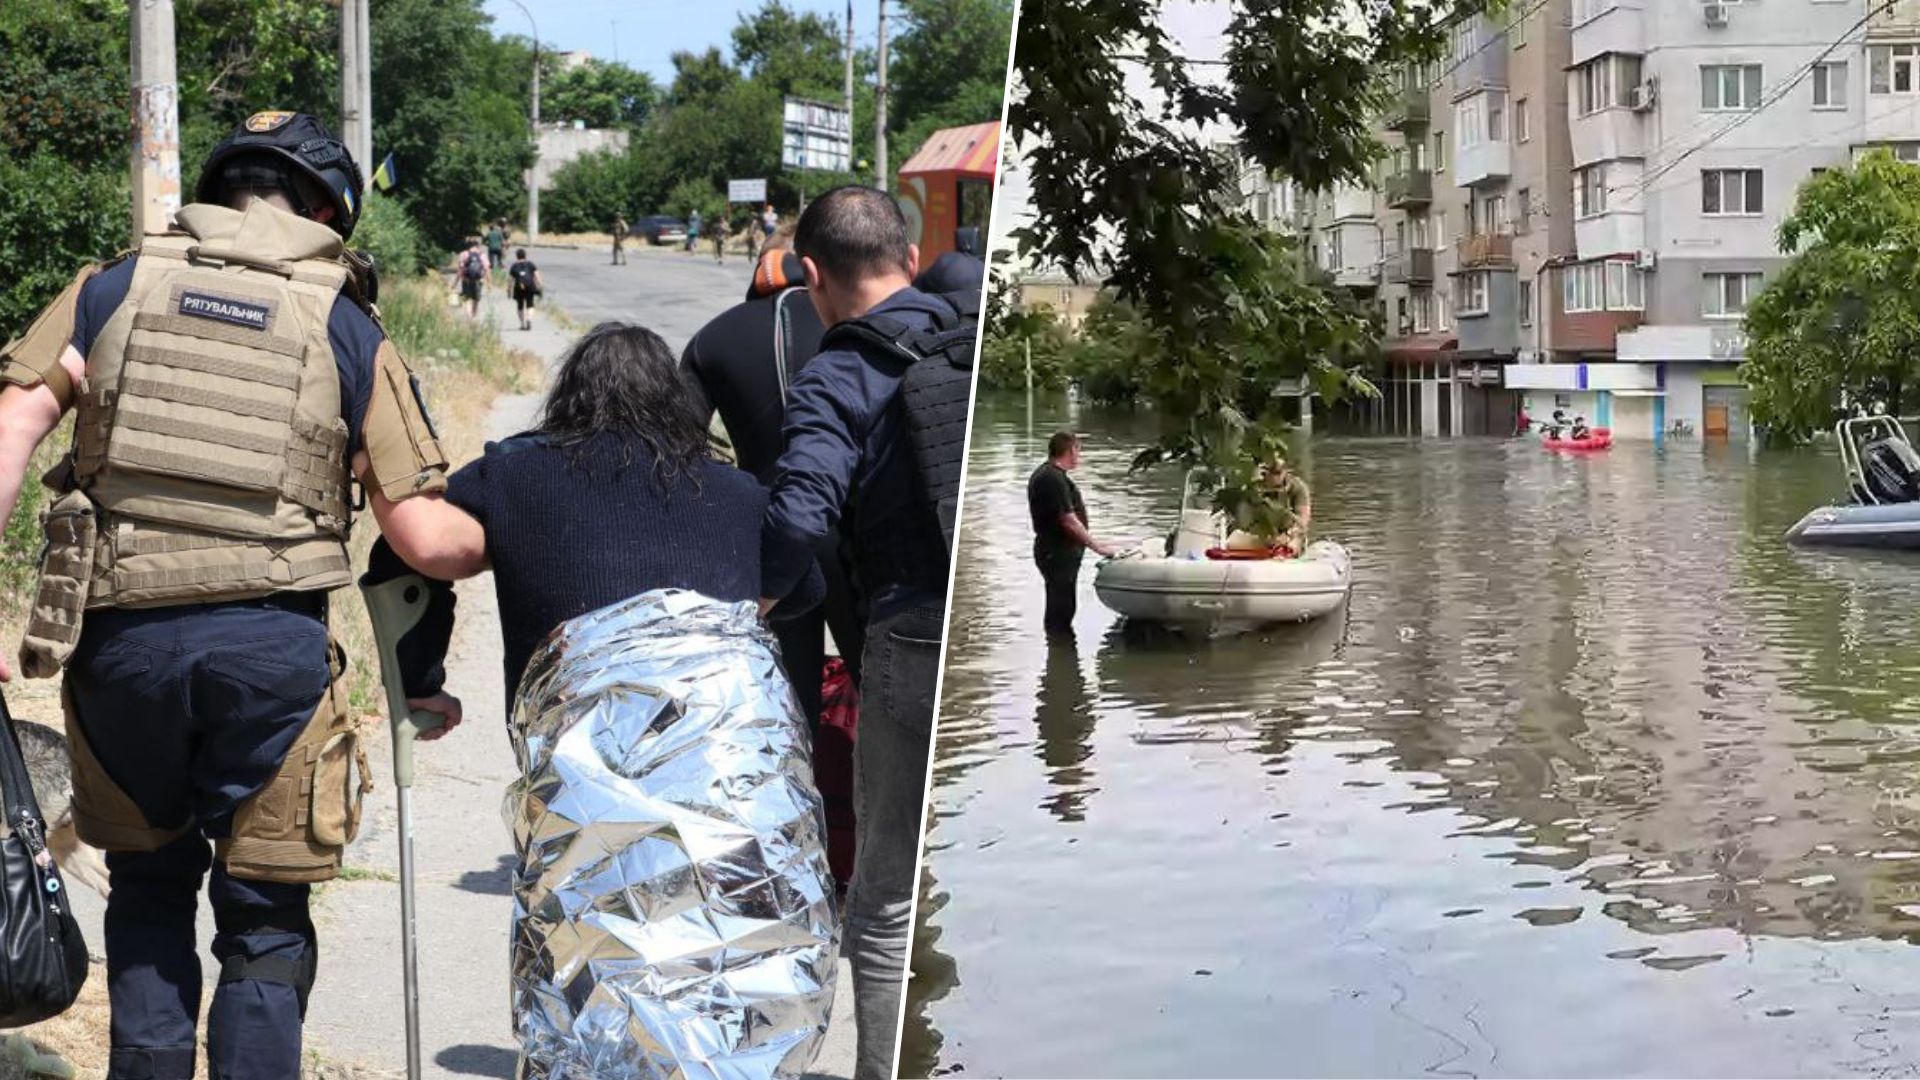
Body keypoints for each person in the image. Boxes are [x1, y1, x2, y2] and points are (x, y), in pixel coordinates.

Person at [0, 110, 466, 1080]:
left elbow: (19, 413)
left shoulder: (111, 287)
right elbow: (421, 535)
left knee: (149, 891)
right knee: (262, 914)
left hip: (121, 646)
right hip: (271, 655)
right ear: (328, 211)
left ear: (218, 191)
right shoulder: (344, 321)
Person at [379, 323, 834, 1075]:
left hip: (588, 750)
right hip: (730, 741)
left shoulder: (515, 473)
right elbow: (801, 589)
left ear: (568, 399)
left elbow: (408, 556)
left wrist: (420, 679)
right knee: (727, 950)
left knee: (594, 952)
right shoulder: (735, 491)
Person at [757, 185, 978, 1080]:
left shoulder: (837, 372)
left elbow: (799, 519)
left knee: (882, 894)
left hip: (910, 634)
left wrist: (759, 604)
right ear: (910, 257)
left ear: (811, 275)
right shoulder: (965, 335)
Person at [682, 235, 864, 735]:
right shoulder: (851, 327)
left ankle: (803, 804)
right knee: (883, 695)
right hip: (853, 527)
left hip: (763, 534)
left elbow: (679, 452)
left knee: (788, 707)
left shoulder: (710, 339)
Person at [1029, 431, 1116, 637]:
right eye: (1078, 451)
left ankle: (1059, 654)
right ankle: (1060, 651)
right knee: (1061, 608)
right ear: (1070, 450)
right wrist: (1098, 547)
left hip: (1057, 551)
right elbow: (1068, 520)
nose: (1079, 457)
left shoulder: (1050, 475)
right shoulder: (1052, 478)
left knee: (1063, 603)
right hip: (1057, 552)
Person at [1224, 455, 1312, 556]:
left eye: (1277, 472)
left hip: (1289, 535)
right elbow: (1242, 520)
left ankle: (1285, 552)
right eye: (1269, 472)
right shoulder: (1253, 489)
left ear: (1285, 471)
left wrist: (1288, 535)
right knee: (1233, 543)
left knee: (1291, 546)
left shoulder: (1298, 488)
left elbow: (1303, 520)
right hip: (1260, 534)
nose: (1274, 477)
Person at [507, 247, 542, 331]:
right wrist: (540, 286)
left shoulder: (514, 266)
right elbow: (537, 276)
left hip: (519, 287)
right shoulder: (530, 264)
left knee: (520, 306)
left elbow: (510, 280)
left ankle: (522, 324)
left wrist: (509, 290)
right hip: (530, 286)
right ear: (525, 255)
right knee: (530, 305)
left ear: (517, 256)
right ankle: (529, 319)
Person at [457, 237, 487, 319]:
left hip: (466, 280)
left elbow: (460, 269)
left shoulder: (463, 254)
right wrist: (488, 282)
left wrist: (455, 282)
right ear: (477, 246)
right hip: (478, 280)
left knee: (467, 299)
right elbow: (486, 269)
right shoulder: (482, 255)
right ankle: (473, 316)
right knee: (476, 300)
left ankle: (469, 317)